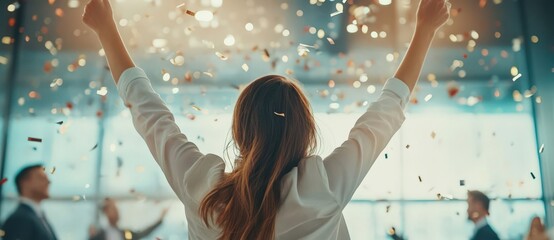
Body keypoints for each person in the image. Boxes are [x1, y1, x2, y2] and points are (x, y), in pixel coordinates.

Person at [82, 0, 450, 239]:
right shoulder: (320, 189)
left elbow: (149, 114)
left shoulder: (204, 191)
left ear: (240, 131)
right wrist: (424, 29)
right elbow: (385, 112)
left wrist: (106, 29)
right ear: (306, 132)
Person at [1, 164, 58, 240]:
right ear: (24, 183)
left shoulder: (37, 216)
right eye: (42, 178)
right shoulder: (19, 219)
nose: (48, 181)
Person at [88, 198, 167, 240]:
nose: (117, 212)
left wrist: (160, 219)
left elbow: (142, 233)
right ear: (106, 211)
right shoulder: (97, 236)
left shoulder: (125, 233)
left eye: (116, 210)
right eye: (113, 209)